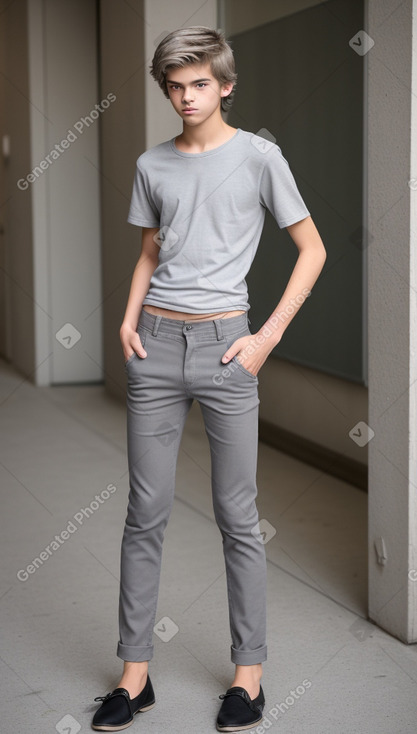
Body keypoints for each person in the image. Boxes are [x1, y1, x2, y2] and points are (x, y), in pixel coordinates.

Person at [92, 25, 326, 732]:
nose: (186, 96)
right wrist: (128, 321)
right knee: (145, 512)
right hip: (156, 346)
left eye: (199, 83)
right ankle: (134, 677)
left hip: (230, 348)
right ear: (165, 89)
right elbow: (148, 251)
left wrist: (267, 337)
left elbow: (310, 249)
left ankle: (247, 676)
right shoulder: (151, 164)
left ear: (224, 85)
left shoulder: (259, 157)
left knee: (237, 516)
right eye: (175, 85)